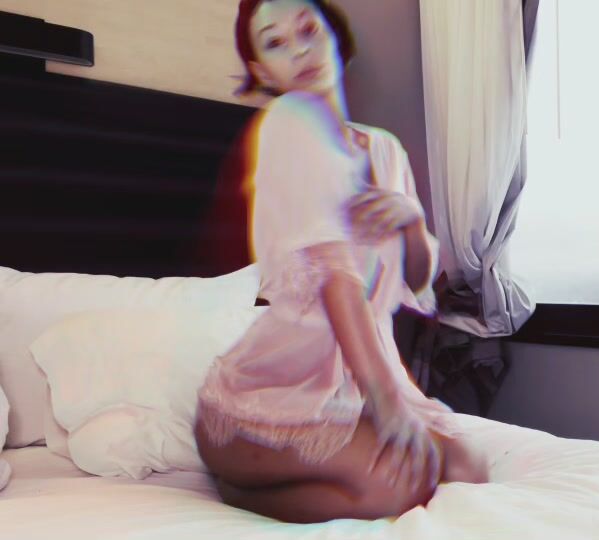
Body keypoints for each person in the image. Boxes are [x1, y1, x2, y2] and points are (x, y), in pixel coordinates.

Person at [193, 0, 489, 524]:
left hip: (352, 387)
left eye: (309, 29)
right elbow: (336, 278)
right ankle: (241, 493)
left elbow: (418, 281)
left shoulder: (384, 150)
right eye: (276, 42)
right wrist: (386, 403)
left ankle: (262, 485)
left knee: (467, 468)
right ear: (263, 71)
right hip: (268, 397)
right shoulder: (289, 124)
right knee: (397, 487)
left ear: (334, 36)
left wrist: (410, 223)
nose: (299, 49)